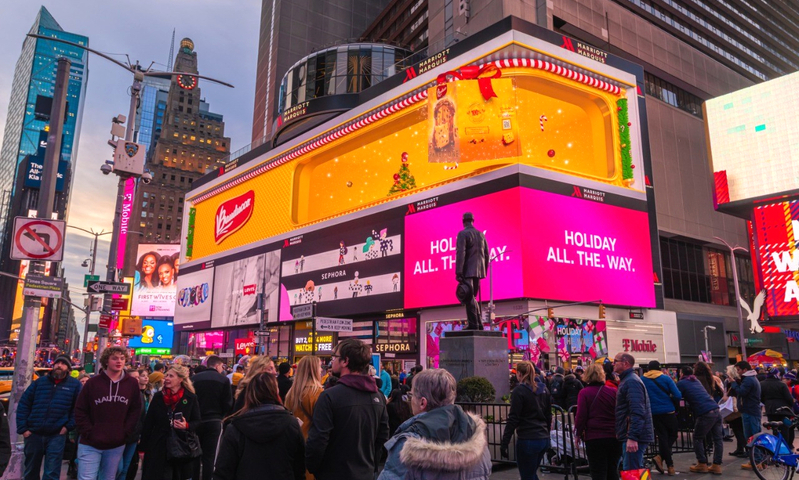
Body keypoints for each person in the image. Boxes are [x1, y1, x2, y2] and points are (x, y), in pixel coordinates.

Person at [379, 369, 490, 480]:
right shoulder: (477, 437)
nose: (410, 399)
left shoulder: (406, 446)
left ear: (422, 402)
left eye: (411, 395)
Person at [306, 339, 389, 480]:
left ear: (345, 361)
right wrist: (371, 463)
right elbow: (382, 436)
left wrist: (314, 468)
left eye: (335, 357)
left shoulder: (329, 396)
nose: (332, 361)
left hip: (332, 473)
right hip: (366, 473)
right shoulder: (378, 397)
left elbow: (318, 440)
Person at [213, 372, 304, 480]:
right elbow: (300, 465)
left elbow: (224, 469)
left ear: (249, 393)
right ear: (276, 391)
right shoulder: (291, 423)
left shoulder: (236, 427)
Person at [74, 347, 142, 480]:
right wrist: (89, 432)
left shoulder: (132, 383)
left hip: (116, 443)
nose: (119, 361)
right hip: (90, 443)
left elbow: (135, 411)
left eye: (122, 358)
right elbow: (80, 409)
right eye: (114, 358)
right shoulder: (93, 383)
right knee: (86, 478)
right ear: (106, 361)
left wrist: (124, 432)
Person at [17, 354, 81, 480]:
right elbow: (24, 404)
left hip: (57, 434)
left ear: (68, 368)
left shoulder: (75, 385)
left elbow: (78, 409)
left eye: (63, 364)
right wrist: (23, 429)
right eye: (57, 363)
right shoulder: (39, 382)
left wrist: (67, 427)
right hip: (33, 433)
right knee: (30, 470)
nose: (59, 366)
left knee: (52, 472)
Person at [140, 366, 201, 480]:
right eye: (166, 375)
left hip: (180, 447)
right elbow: (148, 423)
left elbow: (197, 421)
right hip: (158, 445)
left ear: (180, 379)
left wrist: (186, 425)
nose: (166, 378)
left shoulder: (190, 398)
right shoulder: (159, 397)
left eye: (171, 376)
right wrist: (142, 448)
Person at [500, 361, 551, 480]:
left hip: (528, 438)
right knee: (531, 474)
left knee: (527, 475)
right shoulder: (544, 390)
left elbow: (513, 418)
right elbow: (548, 416)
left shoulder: (519, 391)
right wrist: (546, 433)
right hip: (542, 438)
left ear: (519, 374)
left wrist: (505, 442)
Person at [574, 364, 620, 480]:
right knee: (612, 470)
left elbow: (581, 416)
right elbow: (620, 413)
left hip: (594, 436)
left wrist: (578, 434)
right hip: (613, 435)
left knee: (598, 471)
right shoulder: (614, 391)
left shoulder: (584, 393)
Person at [191, 355, 233, 480]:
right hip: (214, 420)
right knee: (210, 456)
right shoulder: (224, 380)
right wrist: (221, 416)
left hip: (196, 421)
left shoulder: (194, 378)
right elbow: (227, 403)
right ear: (217, 365)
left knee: (195, 454)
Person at [677, 366, 723, 474]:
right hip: (715, 409)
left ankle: (702, 464)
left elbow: (676, 396)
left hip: (705, 412)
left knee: (697, 437)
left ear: (682, 374)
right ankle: (716, 465)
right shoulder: (695, 380)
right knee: (718, 439)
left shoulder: (681, 383)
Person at [613, 352, 654, 471]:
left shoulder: (631, 381)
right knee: (635, 470)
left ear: (625, 363)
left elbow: (637, 411)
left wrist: (632, 437)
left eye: (616, 361)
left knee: (632, 471)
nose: (613, 364)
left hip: (634, 435)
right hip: (632, 434)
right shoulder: (628, 380)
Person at [642, 360, 682, 476]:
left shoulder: (642, 380)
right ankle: (661, 458)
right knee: (673, 434)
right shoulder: (666, 378)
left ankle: (669, 465)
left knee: (663, 437)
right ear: (659, 368)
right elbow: (678, 395)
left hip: (653, 412)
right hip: (668, 411)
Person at [455, 212, 489, 330]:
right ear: (473, 221)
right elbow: (486, 255)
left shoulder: (463, 234)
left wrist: (459, 272)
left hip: (467, 271)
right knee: (472, 298)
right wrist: (484, 271)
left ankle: (474, 325)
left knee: (469, 298)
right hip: (479, 272)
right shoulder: (481, 235)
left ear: (463, 221)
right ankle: (478, 324)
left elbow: (461, 253)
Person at [115, 369, 146, 480]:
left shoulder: (140, 395)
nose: (137, 379)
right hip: (119, 437)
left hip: (133, 437)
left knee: (125, 468)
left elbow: (141, 417)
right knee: (117, 467)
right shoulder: (120, 393)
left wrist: (139, 435)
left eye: (138, 377)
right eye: (135, 377)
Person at [730, 361, 761, 469]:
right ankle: (757, 460)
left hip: (750, 411)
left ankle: (757, 461)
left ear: (744, 370)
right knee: (753, 436)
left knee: (752, 436)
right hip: (751, 410)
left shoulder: (748, 379)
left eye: (738, 370)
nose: (738, 372)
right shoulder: (751, 378)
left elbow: (742, 392)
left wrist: (733, 383)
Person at [760, 368, 794, 448]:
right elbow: (789, 398)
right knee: (785, 429)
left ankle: (776, 447)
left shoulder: (762, 384)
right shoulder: (781, 384)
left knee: (774, 428)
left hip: (770, 409)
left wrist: (767, 403)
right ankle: (784, 447)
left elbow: (761, 397)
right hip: (783, 410)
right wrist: (791, 405)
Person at [724, 365, 746, 458]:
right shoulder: (740, 381)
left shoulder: (734, 383)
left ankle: (743, 449)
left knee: (738, 430)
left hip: (735, 410)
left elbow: (735, 394)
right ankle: (740, 448)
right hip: (737, 409)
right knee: (738, 430)